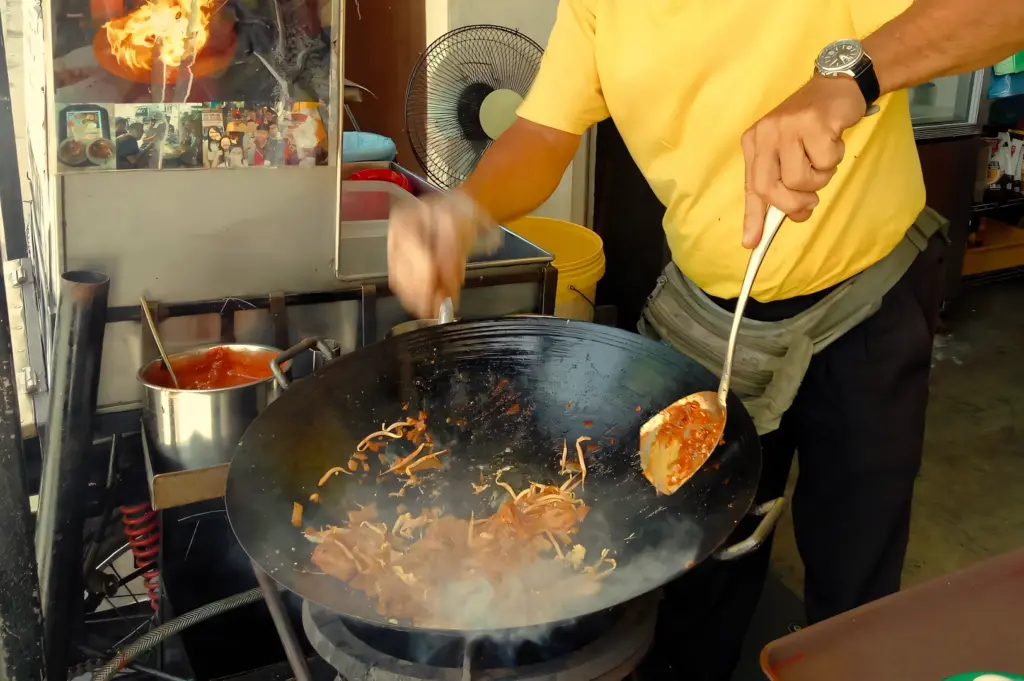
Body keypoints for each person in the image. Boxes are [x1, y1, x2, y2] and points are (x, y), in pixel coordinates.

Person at [386, 2, 1024, 679]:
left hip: (868, 295)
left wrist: (851, 76)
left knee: (855, 578)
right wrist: (465, 208)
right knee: (697, 573)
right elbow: (544, 132)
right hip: (709, 310)